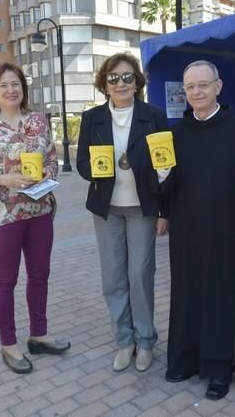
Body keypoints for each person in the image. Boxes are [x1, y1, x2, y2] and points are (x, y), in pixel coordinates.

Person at [0, 62, 70, 374]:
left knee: (39, 276)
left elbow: (51, 158)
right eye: (4, 85)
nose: (11, 90)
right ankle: (9, 343)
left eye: (16, 84)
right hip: (1, 214)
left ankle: (39, 335)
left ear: (24, 88)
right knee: (6, 281)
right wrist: (2, 180)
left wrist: (48, 171)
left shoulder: (37, 120)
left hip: (40, 210)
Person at [159, 60, 235, 400]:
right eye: (190, 87)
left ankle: (219, 369)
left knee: (220, 300)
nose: (197, 92)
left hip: (225, 233)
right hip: (186, 232)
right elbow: (167, 187)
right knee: (186, 296)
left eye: (203, 85)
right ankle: (186, 359)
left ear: (219, 86)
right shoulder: (174, 135)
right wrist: (160, 175)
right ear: (184, 92)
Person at [76, 52, 169, 373]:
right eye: (113, 78)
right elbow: (82, 165)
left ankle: (145, 341)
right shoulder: (92, 119)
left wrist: (164, 211)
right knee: (113, 277)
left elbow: (167, 166)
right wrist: (97, 169)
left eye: (127, 77)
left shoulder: (153, 115)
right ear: (105, 83)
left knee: (140, 275)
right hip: (107, 208)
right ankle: (124, 340)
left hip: (142, 207)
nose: (120, 83)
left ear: (137, 81)